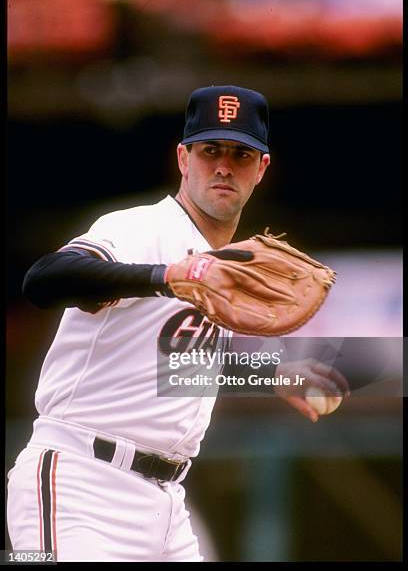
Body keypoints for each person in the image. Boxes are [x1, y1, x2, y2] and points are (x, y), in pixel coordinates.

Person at [7, 85, 349, 562]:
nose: (224, 166)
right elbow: (43, 280)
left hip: (164, 503)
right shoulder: (139, 229)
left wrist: (274, 375)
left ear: (261, 169)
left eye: (241, 154)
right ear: (184, 159)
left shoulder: (224, 264)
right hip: (79, 484)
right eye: (210, 151)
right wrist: (165, 277)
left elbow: (174, 360)